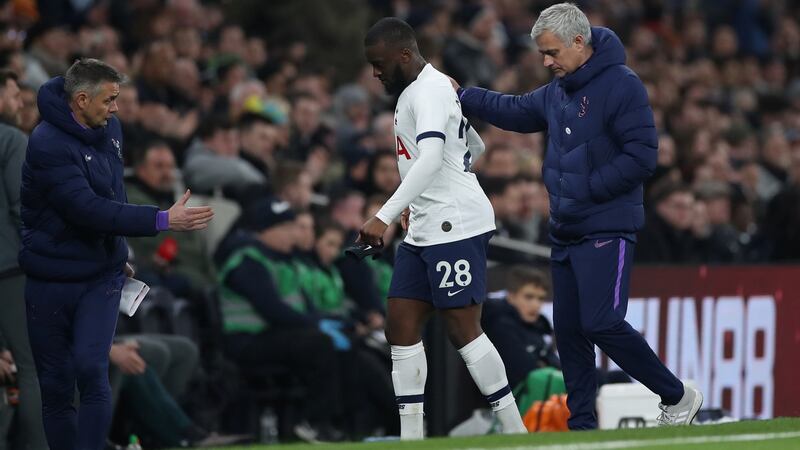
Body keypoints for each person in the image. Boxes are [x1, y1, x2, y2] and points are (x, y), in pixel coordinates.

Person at [454, 3, 702, 429]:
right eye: (541, 54)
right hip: (566, 230)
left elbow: (642, 158)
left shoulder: (623, 85)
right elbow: (513, 110)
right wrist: (462, 96)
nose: (546, 62)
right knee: (568, 332)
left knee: (601, 321)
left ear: (578, 42)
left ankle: (678, 396)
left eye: (551, 53)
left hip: (608, 226)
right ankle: (581, 426)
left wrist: (585, 191)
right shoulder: (557, 91)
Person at [19, 59, 213, 450]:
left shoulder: (111, 130)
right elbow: (84, 208)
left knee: (92, 368)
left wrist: (117, 248)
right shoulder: (46, 143)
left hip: (99, 276)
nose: (116, 108)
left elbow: (113, 194)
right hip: (49, 277)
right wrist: (161, 219)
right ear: (81, 99)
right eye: (109, 100)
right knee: (56, 383)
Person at [359, 18, 527, 440]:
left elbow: (432, 159)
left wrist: (384, 213)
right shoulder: (429, 88)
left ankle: (516, 432)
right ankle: (412, 439)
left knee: (462, 330)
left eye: (379, 64)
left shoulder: (430, 91)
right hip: (426, 225)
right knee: (399, 321)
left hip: (455, 224)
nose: (375, 72)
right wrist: (414, 203)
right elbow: (476, 147)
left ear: (403, 55)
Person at [0, 69, 49, 450]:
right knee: (33, 367)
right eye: (14, 95)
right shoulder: (12, 139)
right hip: (12, 269)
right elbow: (24, 209)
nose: (20, 104)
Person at [482, 267, 560, 389]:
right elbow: (526, 371)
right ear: (511, 296)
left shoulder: (537, 329)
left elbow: (558, 368)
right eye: (529, 297)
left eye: (540, 299)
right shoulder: (498, 324)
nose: (535, 304)